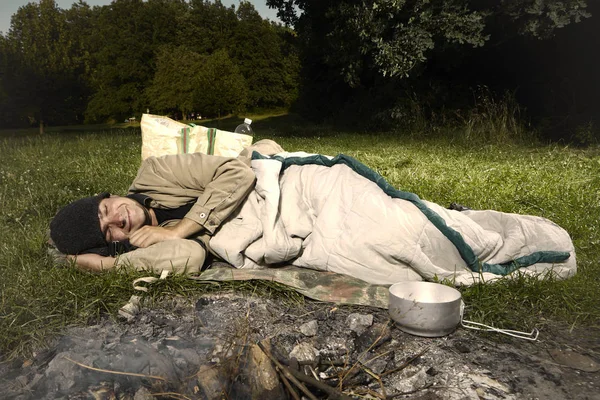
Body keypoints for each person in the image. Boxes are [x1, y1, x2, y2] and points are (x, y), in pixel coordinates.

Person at [50, 140, 284, 273]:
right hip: (270, 220)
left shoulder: (154, 172)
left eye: (106, 209)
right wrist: (111, 265)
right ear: (114, 246)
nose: (117, 219)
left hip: (274, 179)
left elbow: (236, 172)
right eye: (109, 232)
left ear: (109, 196)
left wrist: (177, 231)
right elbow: (190, 256)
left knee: (262, 150)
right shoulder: (141, 250)